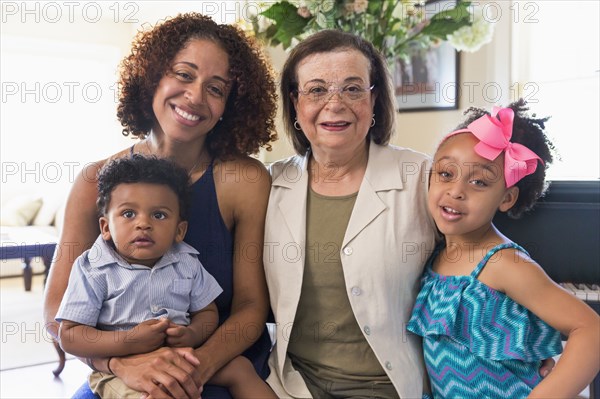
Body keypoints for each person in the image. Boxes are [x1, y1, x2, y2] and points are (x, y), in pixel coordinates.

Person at [263, 29, 558, 399]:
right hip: (291, 384)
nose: (334, 103)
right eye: (316, 89)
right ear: (295, 102)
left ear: (374, 101)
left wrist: (534, 345)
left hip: (388, 387)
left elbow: (487, 259)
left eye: (353, 89)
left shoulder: (425, 177)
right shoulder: (269, 185)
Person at [43, 13, 277, 399]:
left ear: (229, 107)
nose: (196, 96)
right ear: (151, 76)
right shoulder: (93, 181)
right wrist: (121, 363)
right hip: (123, 370)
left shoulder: (246, 181)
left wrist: (187, 371)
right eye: (183, 74)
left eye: (216, 89)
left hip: (218, 363)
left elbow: (251, 308)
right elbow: (57, 314)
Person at [407, 101, 600, 398]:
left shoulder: (504, 264)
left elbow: (591, 330)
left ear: (507, 198)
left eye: (479, 182)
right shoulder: (436, 252)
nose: (457, 191)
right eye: (446, 174)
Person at [56, 155, 276, 399]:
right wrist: (129, 341)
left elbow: (207, 312)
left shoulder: (186, 261)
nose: (143, 224)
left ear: (180, 230)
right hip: (121, 369)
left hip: (184, 357)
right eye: (128, 214)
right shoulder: (93, 268)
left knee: (240, 369)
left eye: (158, 215)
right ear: (106, 227)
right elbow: (70, 335)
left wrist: (192, 333)